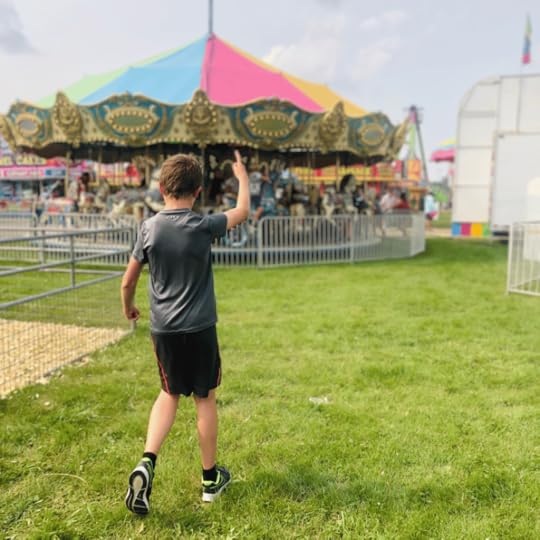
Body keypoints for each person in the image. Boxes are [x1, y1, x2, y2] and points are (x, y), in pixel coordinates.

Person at [121, 150, 250, 515]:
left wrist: (128, 307)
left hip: (164, 330)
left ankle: (147, 462)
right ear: (198, 192)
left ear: (161, 188)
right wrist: (243, 179)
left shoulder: (148, 228)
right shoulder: (202, 225)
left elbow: (128, 281)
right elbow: (241, 213)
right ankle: (210, 481)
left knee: (168, 394)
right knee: (204, 399)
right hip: (200, 328)